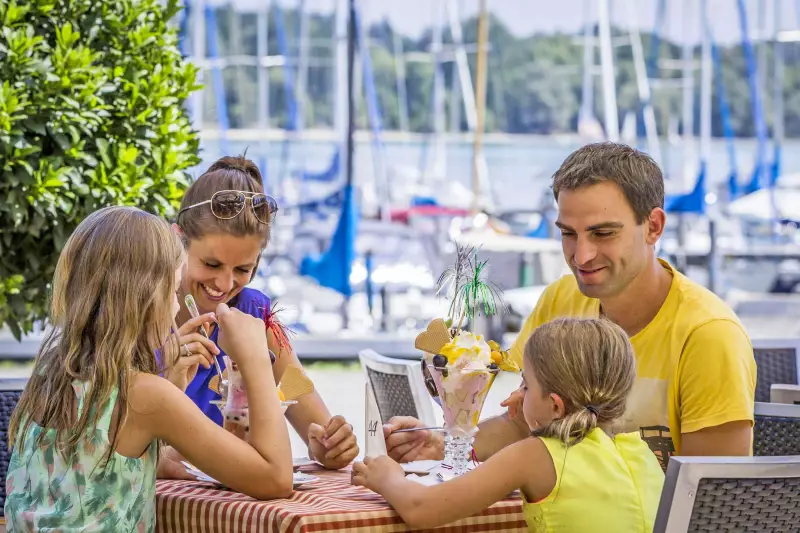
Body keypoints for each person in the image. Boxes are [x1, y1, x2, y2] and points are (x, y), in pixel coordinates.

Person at [384, 142, 756, 466]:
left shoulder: (708, 336)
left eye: (603, 233)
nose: (582, 254)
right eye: (568, 234)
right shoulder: (561, 299)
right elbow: (519, 424)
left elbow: (710, 494)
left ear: (654, 227)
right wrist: (446, 444)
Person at [5, 207, 293, 531]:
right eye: (172, 291)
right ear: (145, 298)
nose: (175, 305)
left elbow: (91, 474)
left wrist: (170, 391)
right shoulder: (143, 395)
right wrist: (255, 361)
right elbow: (276, 479)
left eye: (244, 268)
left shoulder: (50, 376)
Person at [353, 318, 664, 532]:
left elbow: (421, 509)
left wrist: (387, 479)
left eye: (525, 385)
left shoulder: (536, 454)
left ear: (555, 405)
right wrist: (533, 418)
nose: (515, 396)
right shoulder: (639, 450)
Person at [158, 155, 358, 479]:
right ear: (177, 240)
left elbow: (301, 397)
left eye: (242, 269)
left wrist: (330, 444)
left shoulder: (258, 315)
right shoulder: (140, 317)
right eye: (211, 264)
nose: (224, 285)